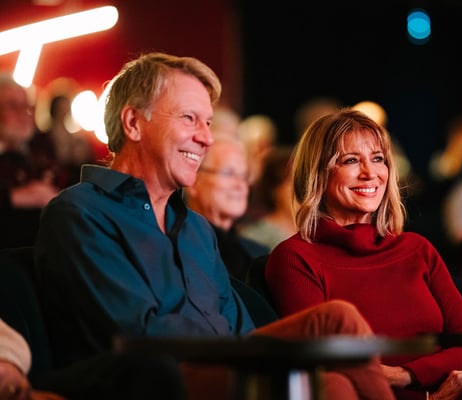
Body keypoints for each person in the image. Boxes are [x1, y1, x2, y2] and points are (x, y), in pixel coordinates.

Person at [33, 52, 395, 400]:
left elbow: (242, 328)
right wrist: (242, 352)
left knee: (337, 342)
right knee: (333, 361)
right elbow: (135, 336)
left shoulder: (196, 229)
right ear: (133, 123)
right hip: (158, 380)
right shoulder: (81, 212)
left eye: (208, 122)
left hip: (227, 364)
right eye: (189, 118)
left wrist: (252, 353)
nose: (206, 137)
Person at [265, 108, 462, 400]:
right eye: (351, 160)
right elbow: (329, 369)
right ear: (318, 173)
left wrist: (405, 375)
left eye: (378, 159)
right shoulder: (295, 257)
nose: (370, 173)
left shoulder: (417, 249)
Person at [184, 134, 269, 281]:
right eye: (228, 173)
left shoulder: (259, 254)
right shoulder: (177, 248)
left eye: (244, 176)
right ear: (194, 181)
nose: (240, 185)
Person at [0, 74, 60, 249]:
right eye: (12, 106)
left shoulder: (41, 147)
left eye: (26, 106)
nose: (23, 114)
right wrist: (16, 197)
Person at [239, 145, 297, 250]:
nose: (301, 190)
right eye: (291, 182)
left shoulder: (316, 233)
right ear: (274, 189)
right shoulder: (255, 237)